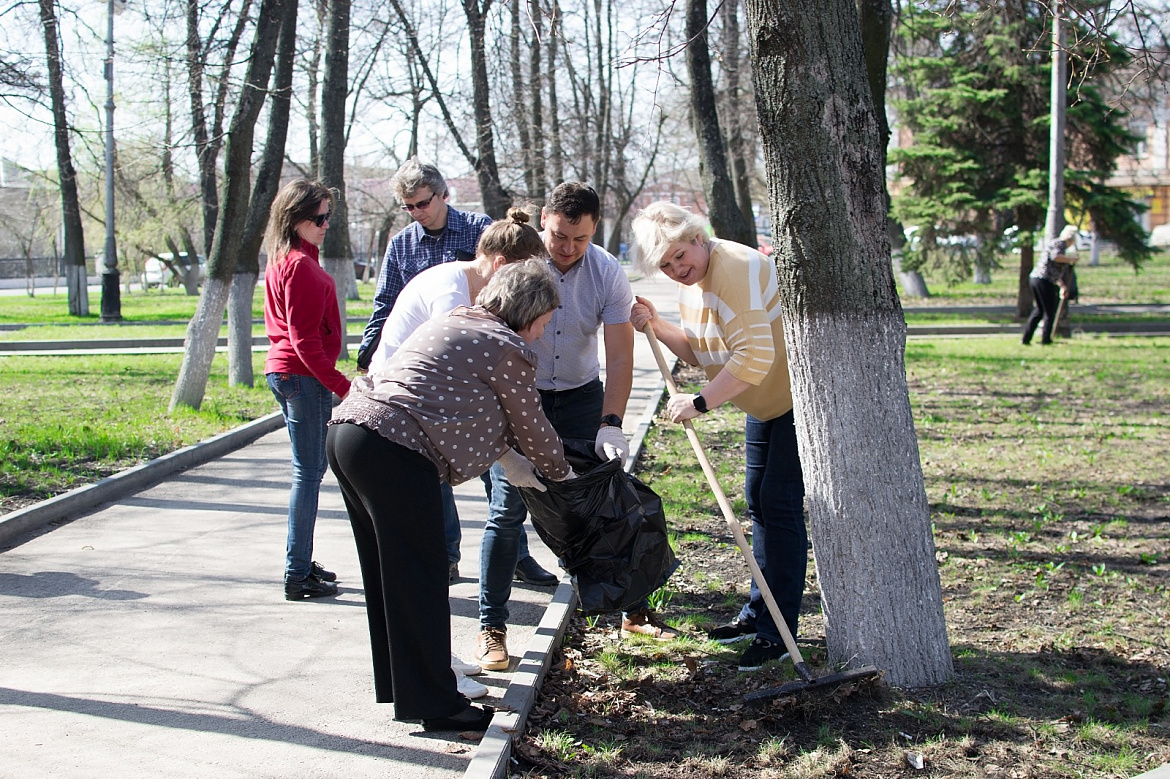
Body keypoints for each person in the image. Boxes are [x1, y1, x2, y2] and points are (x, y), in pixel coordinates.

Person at [325, 260, 575, 731]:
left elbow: (455, 403)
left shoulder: (459, 321)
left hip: (349, 435)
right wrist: (562, 478)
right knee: (420, 576)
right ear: (528, 312)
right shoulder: (507, 347)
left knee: (389, 577)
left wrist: (509, 458)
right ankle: (439, 706)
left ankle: (404, 688)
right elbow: (534, 429)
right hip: (393, 449)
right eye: (543, 323)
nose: (541, 335)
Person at [474, 182, 672, 674]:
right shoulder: (518, 263)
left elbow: (621, 355)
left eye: (579, 238)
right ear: (545, 218)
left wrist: (611, 422)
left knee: (601, 503)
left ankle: (629, 608)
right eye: (560, 235)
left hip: (581, 395)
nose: (566, 248)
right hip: (522, 395)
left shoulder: (606, 271)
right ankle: (491, 627)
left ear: (594, 230)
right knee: (507, 508)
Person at [365, 207, 549, 700]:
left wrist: (504, 451)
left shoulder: (472, 300)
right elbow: (501, 403)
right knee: (425, 564)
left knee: (400, 570)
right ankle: (436, 682)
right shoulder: (460, 301)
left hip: (372, 426)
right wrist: (544, 466)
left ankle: (412, 679)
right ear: (496, 263)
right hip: (400, 432)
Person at [356, 158, 557, 586]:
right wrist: (514, 453)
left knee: (489, 466)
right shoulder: (451, 292)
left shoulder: (474, 276)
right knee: (439, 480)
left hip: (406, 406)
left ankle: (505, 555)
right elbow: (462, 383)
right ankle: (443, 559)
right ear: (503, 267)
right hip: (397, 403)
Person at [628, 201, 807, 672]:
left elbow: (752, 358)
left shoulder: (737, 268)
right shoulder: (694, 284)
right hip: (762, 403)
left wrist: (701, 402)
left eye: (680, 257)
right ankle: (759, 611)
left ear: (698, 238)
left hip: (794, 402)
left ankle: (778, 632)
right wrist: (658, 325)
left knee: (779, 506)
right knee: (758, 500)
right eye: (665, 266)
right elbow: (704, 349)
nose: (676, 270)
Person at [262, 179, 351, 601]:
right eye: (318, 218)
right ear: (294, 218)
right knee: (309, 472)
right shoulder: (297, 265)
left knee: (309, 471)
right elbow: (304, 341)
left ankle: (301, 562)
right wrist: (343, 386)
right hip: (301, 375)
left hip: (292, 375)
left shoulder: (290, 259)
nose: (325, 224)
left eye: (328, 216)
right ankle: (297, 573)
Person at [1023, 224, 1080, 346]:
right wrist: (1070, 260)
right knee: (1049, 311)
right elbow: (1055, 257)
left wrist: (1062, 286)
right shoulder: (1059, 244)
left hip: (1038, 279)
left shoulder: (1059, 245)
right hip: (1043, 280)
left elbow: (1054, 270)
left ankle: (1026, 338)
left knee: (1039, 310)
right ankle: (1046, 339)